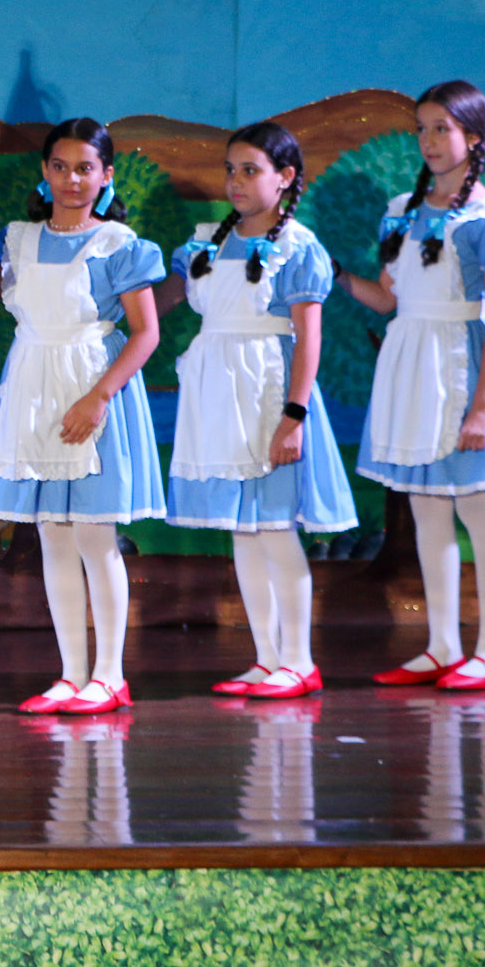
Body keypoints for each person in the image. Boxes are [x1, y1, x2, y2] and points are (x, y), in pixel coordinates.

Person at [338, 81, 485, 691]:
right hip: (412, 365)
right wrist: (336, 276)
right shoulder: (401, 209)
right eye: (421, 128)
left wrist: (482, 406)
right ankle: (443, 646)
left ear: (473, 137)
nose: (428, 140)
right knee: (426, 508)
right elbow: (388, 300)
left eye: (441, 128)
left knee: (477, 505)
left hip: (461, 364)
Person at [154, 121, 356, 700]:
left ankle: (299, 660)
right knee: (243, 530)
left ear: (285, 177)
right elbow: (162, 301)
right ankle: (266, 659)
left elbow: (309, 337)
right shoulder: (204, 244)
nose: (236, 182)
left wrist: (294, 416)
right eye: (230, 170)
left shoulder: (299, 247)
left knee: (274, 527)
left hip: (269, 391)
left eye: (250, 170)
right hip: (218, 396)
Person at [0, 118, 165, 717]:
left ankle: (109, 675)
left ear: (106, 175)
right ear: (44, 171)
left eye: (85, 168)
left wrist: (99, 396)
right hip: (34, 385)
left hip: (90, 386)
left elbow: (146, 332)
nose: (71, 179)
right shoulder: (17, 240)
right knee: (52, 536)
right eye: (60, 167)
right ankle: (71, 673)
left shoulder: (118, 243)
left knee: (93, 535)